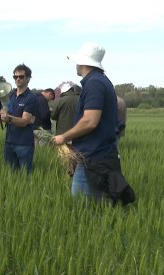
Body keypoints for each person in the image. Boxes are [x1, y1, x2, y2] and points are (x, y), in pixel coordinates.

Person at [53, 42, 134, 204]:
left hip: (93, 156)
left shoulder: (94, 83)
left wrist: (64, 136)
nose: (76, 65)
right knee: (96, 204)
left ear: (83, 62)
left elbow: (90, 121)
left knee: (82, 204)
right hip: (97, 154)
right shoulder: (100, 81)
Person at [0, 64, 37, 173]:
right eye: (15, 77)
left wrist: (9, 118)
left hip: (24, 143)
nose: (18, 79)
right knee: (10, 176)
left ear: (28, 78)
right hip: (9, 142)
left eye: (21, 77)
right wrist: (3, 113)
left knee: (25, 177)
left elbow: (25, 121)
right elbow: (7, 111)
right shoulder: (10, 95)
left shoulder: (31, 98)